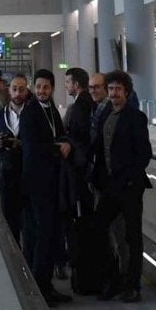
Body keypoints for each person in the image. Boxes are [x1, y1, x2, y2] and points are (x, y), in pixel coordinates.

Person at [89, 70, 152, 303]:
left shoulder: (135, 117)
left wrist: (129, 179)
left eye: (118, 89)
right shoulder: (106, 113)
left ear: (127, 92)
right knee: (98, 228)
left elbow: (145, 154)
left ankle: (132, 284)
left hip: (129, 187)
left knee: (132, 236)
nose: (114, 93)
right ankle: (113, 279)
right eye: (111, 89)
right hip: (109, 186)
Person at [18, 70, 72, 306]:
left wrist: (66, 142)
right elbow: (31, 147)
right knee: (43, 234)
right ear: (33, 87)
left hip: (52, 183)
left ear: (52, 88)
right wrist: (57, 149)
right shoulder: (30, 112)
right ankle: (41, 286)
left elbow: (60, 133)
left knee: (50, 234)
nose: (41, 91)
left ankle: (47, 284)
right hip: (36, 183)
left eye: (46, 87)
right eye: (38, 87)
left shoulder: (51, 110)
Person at [0, 74, 30, 241]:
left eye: (22, 89)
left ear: (27, 91)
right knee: (11, 225)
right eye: (15, 89)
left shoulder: (34, 113)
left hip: (29, 177)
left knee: (30, 225)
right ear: (9, 91)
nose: (18, 93)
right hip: (8, 178)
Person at [60, 67, 97, 224]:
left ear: (76, 84)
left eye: (68, 82)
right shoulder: (86, 101)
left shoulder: (81, 104)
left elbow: (80, 134)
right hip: (84, 163)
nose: (66, 85)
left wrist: (68, 141)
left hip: (81, 165)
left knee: (83, 209)